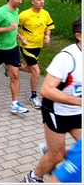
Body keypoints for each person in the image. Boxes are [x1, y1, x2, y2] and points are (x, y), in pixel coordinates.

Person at [24, 16, 82, 183]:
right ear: (79, 36)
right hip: (57, 111)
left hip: (78, 113)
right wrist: (80, 102)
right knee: (57, 155)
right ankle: (33, 177)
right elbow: (46, 90)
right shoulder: (67, 57)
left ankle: (60, 154)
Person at [18, 0, 55, 109]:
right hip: (27, 46)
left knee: (30, 69)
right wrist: (21, 37)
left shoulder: (45, 14)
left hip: (38, 47)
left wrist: (47, 36)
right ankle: (33, 97)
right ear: (32, 1)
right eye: (39, 0)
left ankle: (13, 65)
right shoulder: (24, 15)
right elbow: (12, 28)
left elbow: (49, 26)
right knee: (36, 72)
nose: (42, 2)